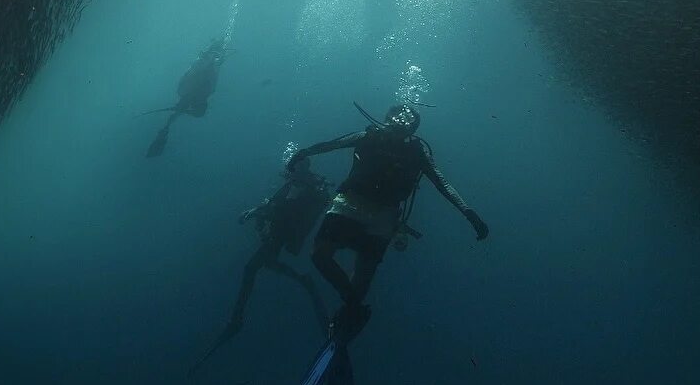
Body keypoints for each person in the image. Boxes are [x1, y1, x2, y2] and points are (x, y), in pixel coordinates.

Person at [288, 103, 489, 343]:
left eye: (408, 124)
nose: (400, 126)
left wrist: (468, 211)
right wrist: (304, 152)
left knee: (363, 275)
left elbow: (442, 182)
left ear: (413, 130)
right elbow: (334, 143)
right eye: (397, 120)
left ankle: (347, 316)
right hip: (350, 203)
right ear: (386, 120)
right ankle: (352, 307)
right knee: (321, 255)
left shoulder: (417, 152)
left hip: (385, 214)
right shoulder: (368, 136)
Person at [194, 156, 334, 369]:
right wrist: (257, 212)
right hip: (279, 233)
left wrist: (256, 213)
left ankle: (236, 320)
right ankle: (303, 281)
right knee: (265, 264)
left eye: (294, 167)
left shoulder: (303, 188)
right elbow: (276, 204)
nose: (290, 171)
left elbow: (282, 211)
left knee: (251, 268)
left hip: (281, 234)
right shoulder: (297, 185)